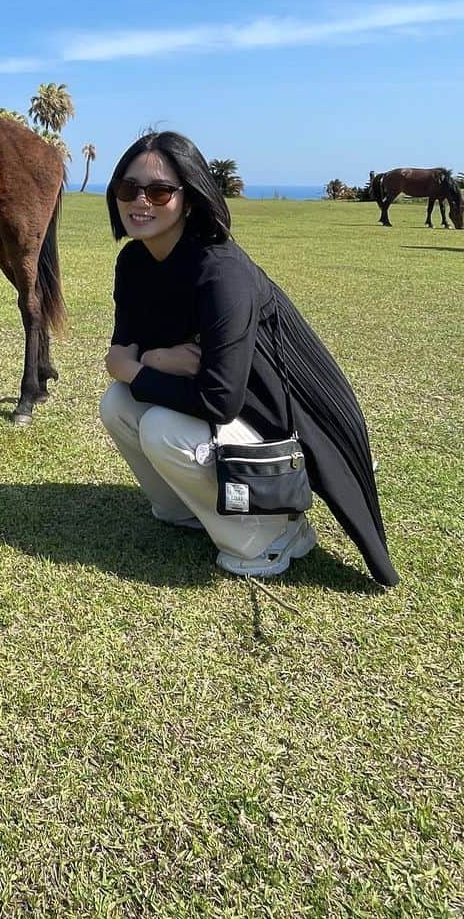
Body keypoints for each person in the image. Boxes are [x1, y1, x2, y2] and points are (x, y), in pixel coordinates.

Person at [99, 131, 398, 585]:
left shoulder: (222, 271)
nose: (140, 201)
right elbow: (121, 352)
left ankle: (275, 534)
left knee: (162, 427)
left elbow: (218, 400)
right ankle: (188, 511)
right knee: (118, 403)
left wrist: (145, 365)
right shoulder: (135, 264)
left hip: (277, 422)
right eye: (128, 188)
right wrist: (161, 361)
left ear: (190, 198)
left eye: (159, 190)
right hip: (231, 408)